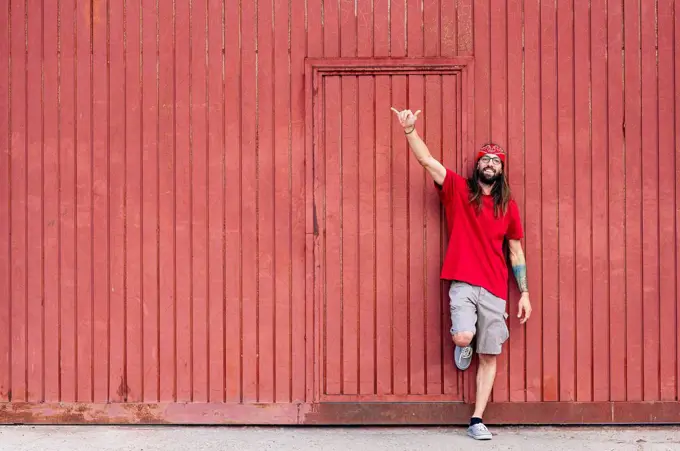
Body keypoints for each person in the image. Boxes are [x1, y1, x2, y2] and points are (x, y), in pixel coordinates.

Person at [391, 107, 532, 440]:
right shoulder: (457, 190)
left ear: (501, 171)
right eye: (485, 159)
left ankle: (476, 420)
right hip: (464, 282)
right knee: (464, 337)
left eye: (496, 161)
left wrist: (524, 292)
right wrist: (410, 131)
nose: (490, 164)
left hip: (496, 288)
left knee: (490, 353)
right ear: (478, 166)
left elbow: (515, 251)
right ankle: (463, 345)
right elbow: (428, 162)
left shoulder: (508, 206)